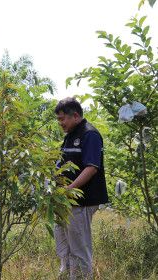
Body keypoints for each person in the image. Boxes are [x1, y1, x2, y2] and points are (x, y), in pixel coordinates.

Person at [54, 97, 108, 279]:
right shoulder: (70, 135)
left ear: (75, 115)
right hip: (64, 203)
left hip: (81, 202)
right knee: (64, 249)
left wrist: (70, 188)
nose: (60, 123)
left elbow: (92, 167)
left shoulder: (89, 134)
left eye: (62, 119)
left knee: (79, 250)